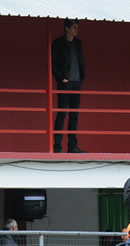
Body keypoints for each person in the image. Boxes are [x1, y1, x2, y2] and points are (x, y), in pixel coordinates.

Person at [50, 19, 85, 154]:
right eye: (74, 27)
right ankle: (58, 146)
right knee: (62, 113)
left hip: (76, 83)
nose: (77, 30)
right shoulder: (58, 43)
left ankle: (72, 146)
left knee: (74, 115)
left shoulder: (78, 44)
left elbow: (81, 62)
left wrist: (81, 78)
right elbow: (53, 63)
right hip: (65, 83)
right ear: (67, 28)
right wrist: (60, 77)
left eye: (77, 27)